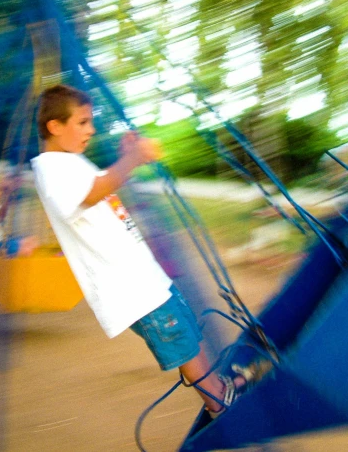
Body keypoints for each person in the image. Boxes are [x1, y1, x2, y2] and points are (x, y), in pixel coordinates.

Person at [30, 84, 240, 417]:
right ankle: (218, 403)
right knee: (178, 340)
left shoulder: (70, 162)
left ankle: (218, 387)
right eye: (83, 122)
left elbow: (104, 184)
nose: (91, 129)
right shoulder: (50, 168)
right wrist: (133, 157)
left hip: (142, 274)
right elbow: (90, 194)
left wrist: (125, 156)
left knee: (185, 330)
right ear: (55, 126)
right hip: (125, 284)